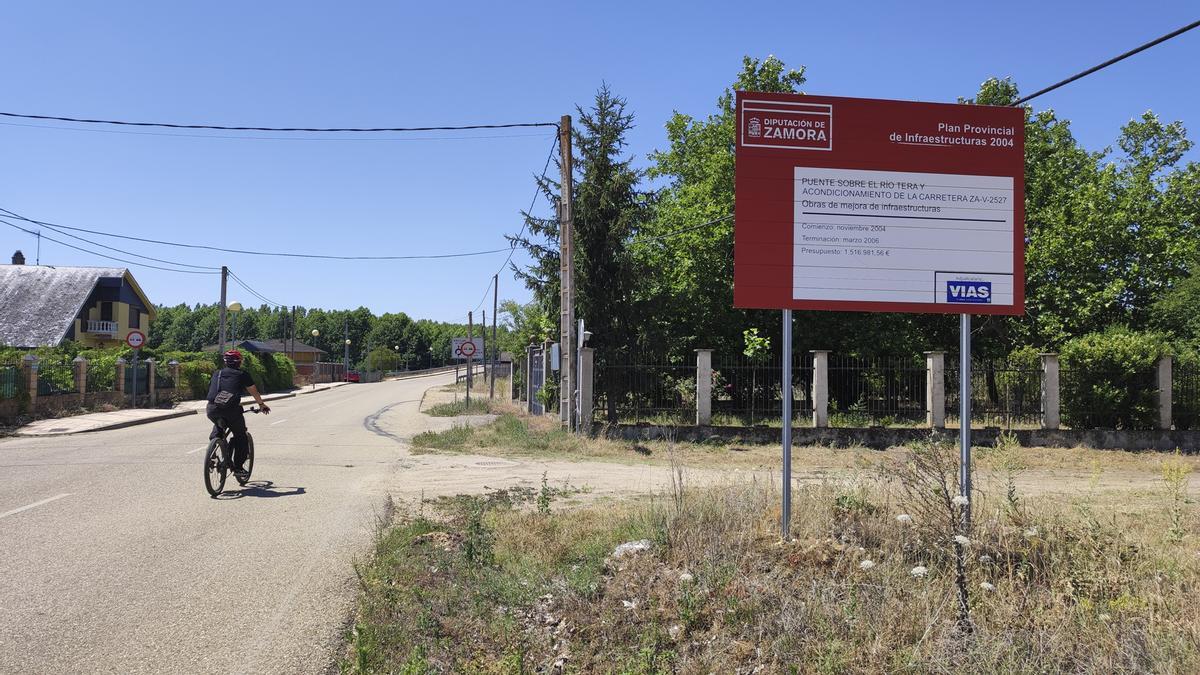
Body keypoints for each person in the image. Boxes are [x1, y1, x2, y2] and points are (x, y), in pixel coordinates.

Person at [206, 350, 270, 480]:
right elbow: (253, 391)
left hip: (212, 408)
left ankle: (214, 446)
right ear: (239, 362)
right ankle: (239, 468)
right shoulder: (242, 374)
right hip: (231, 410)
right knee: (241, 436)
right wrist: (261, 405)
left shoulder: (217, 373)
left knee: (219, 424)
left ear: (225, 362)